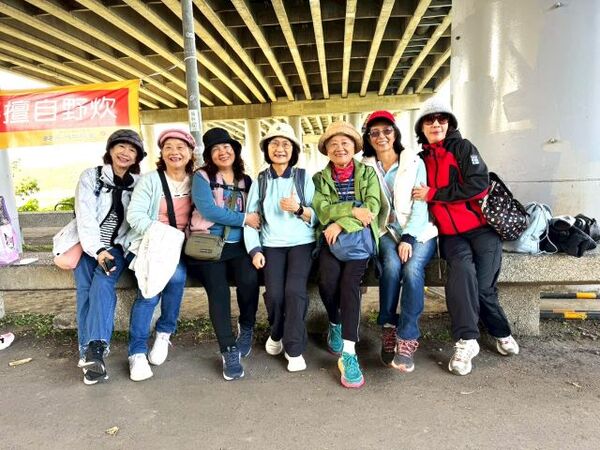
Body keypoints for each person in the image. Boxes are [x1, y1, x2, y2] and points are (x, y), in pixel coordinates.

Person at [412, 99, 520, 376]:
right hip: (450, 235)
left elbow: (478, 185)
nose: (436, 124)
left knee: (483, 288)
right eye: (429, 120)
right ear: (421, 127)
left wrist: (435, 194)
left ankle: (500, 331)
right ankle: (466, 341)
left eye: (442, 119)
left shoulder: (462, 148)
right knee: (461, 274)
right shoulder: (420, 159)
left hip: (482, 229)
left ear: (449, 123)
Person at [361, 110, 438, 372]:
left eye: (387, 130)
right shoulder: (365, 166)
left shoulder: (414, 162)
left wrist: (408, 237)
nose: (381, 136)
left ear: (395, 133)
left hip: (418, 231)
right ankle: (388, 327)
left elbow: (421, 205)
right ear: (368, 138)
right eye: (374, 132)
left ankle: (407, 337)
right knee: (391, 267)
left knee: (412, 269)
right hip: (385, 231)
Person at [187, 128, 261, 381]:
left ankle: (247, 326)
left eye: (227, 147)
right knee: (218, 290)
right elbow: (208, 210)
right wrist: (244, 218)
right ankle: (228, 349)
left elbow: (257, 212)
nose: (223, 152)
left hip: (239, 244)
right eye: (216, 149)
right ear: (209, 155)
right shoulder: (202, 177)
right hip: (208, 244)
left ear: (235, 151)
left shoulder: (246, 181)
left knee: (249, 280)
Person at [312, 121, 381, 388]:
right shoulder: (319, 178)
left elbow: (371, 208)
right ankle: (335, 322)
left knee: (350, 286)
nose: (339, 148)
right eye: (333, 144)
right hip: (330, 240)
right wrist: (353, 210)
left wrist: (341, 223)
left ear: (354, 147)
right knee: (327, 280)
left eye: (345, 143)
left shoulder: (367, 173)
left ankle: (349, 353)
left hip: (359, 241)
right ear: (326, 150)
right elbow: (322, 209)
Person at [74, 129, 144, 385]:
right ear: (111, 149)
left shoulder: (139, 183)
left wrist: (107, 251)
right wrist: (96, 249)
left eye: (132, 150)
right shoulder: (91, 177)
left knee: (103, 283)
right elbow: (85, 216)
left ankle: (96, 350)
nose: (125, 153)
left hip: (116, 248)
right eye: (121, 146)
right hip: (87, 246)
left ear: (137, 157)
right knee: (85, 292)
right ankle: (89, 356)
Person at [244, 122, 317, 372]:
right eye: (274, 143)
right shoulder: (261, 180)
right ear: (266, 149)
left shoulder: (303, 177)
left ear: (293, 149)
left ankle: (294, 349)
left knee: (294, 292)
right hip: (271, 244)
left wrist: (298, 209)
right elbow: (251, 219)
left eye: (286, 144)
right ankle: (276, 332)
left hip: (302, 243)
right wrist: (255, 250)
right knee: (275, 294)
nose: (280, 148)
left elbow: (316, 215)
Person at [126, 128, 195, 381]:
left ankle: (164, 333)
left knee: (176, 277)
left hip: (183, 247)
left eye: (180, 147)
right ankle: (137, 352)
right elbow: (135, 216)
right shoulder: (150, 181)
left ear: (190, 153)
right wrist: (163, 236)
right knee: (149, 291)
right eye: (168, 148)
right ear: (162, 153)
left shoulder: (197, 180)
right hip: (150, 243)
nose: (174, 152)